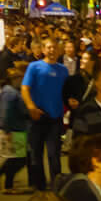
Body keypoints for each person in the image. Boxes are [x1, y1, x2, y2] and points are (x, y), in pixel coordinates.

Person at [21, 37, 70, 191]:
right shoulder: (34, 67)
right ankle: (40, 187)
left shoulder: (63, 70)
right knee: (36, 155)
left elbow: (67, 92)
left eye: (54, 47)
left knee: (54, 155)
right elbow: (25, 88)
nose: (52, 50)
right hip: (37, 118)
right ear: (43, 50)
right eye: (49, 47)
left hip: (55, 118)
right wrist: (31, 107)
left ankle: (56, 186)